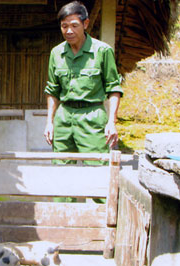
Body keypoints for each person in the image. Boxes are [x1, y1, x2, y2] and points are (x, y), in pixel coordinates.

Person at [43, 1, 123, 202]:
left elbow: (114, 89)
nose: (68, 31)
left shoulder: (102, 51)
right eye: (64, 26)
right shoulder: (56, 53)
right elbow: (52, 90)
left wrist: (112, 122)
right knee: (61, 173)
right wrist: (49, 122)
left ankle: (102, 226)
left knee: (97, 172)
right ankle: (63, 223)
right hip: (64, 117)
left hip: (92, 116)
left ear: (85, 24)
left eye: (74, 25)